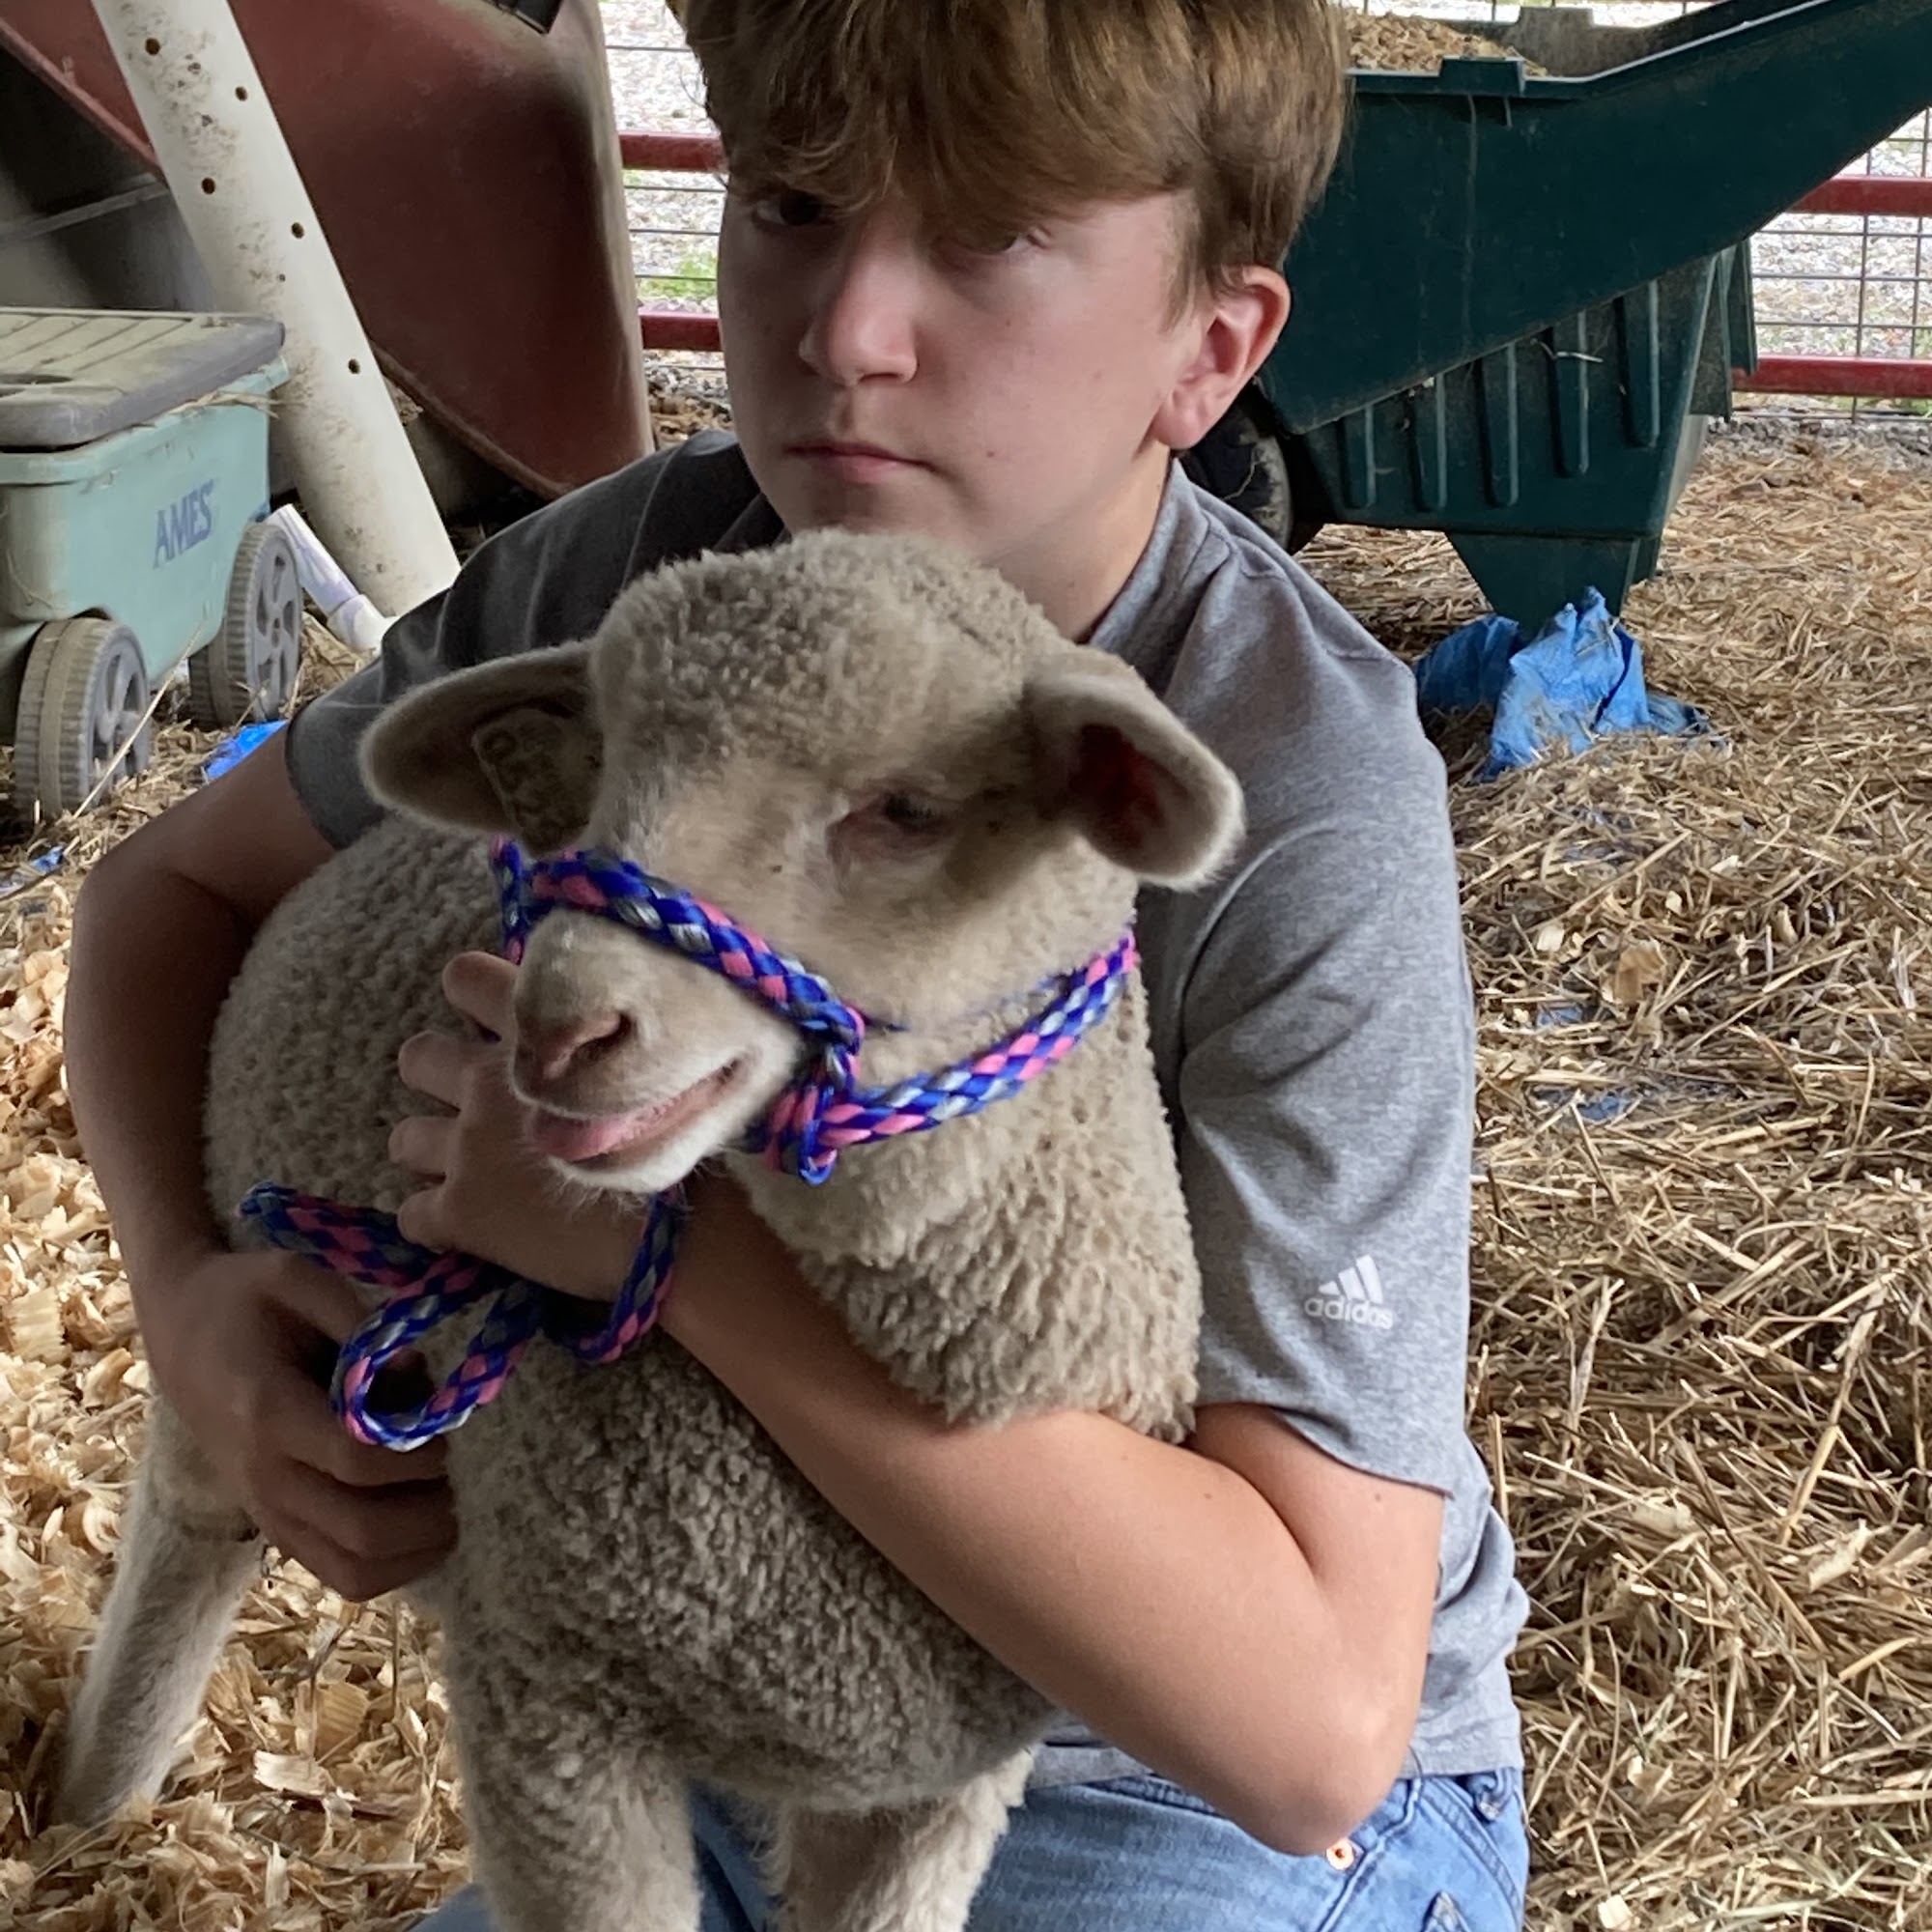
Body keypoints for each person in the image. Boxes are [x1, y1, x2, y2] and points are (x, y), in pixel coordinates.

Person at [65, 1, 1530, 1925]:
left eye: (994, 234)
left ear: (1211, 348)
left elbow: (1308, 1720)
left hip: (1143, 1780)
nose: (848, 331)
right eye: (791, 205)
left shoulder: (1283, 786)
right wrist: (189, 1306)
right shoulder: (652, 583)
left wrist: (652, 1253)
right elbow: (161, 894)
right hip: (697, 1671)